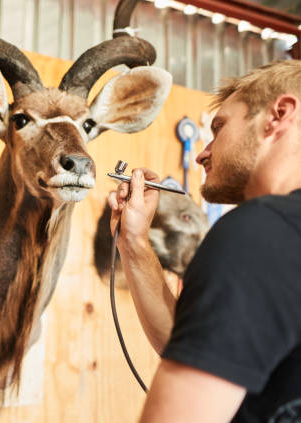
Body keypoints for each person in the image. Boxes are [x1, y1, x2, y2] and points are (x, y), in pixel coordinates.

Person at [108, 59, 301, 422]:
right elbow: (207, 347)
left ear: (279, 115)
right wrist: (134, 242)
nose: (202, 152)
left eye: (219, 127)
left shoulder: (258, 234)